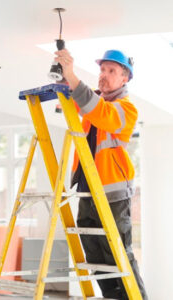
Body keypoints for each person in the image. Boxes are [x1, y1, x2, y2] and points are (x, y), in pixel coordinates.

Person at [55, 49, 148, 300]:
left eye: (111, 71)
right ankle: (113, 296)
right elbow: (71, 105)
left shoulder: (126, 109)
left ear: (124, 78)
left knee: (117, 252)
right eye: (102, 70)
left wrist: (73, 78)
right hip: (88, 188)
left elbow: (101, 114)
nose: (104, 76)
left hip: (112, 192)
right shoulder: (93, 102)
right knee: (94, 253)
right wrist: (63, 77)